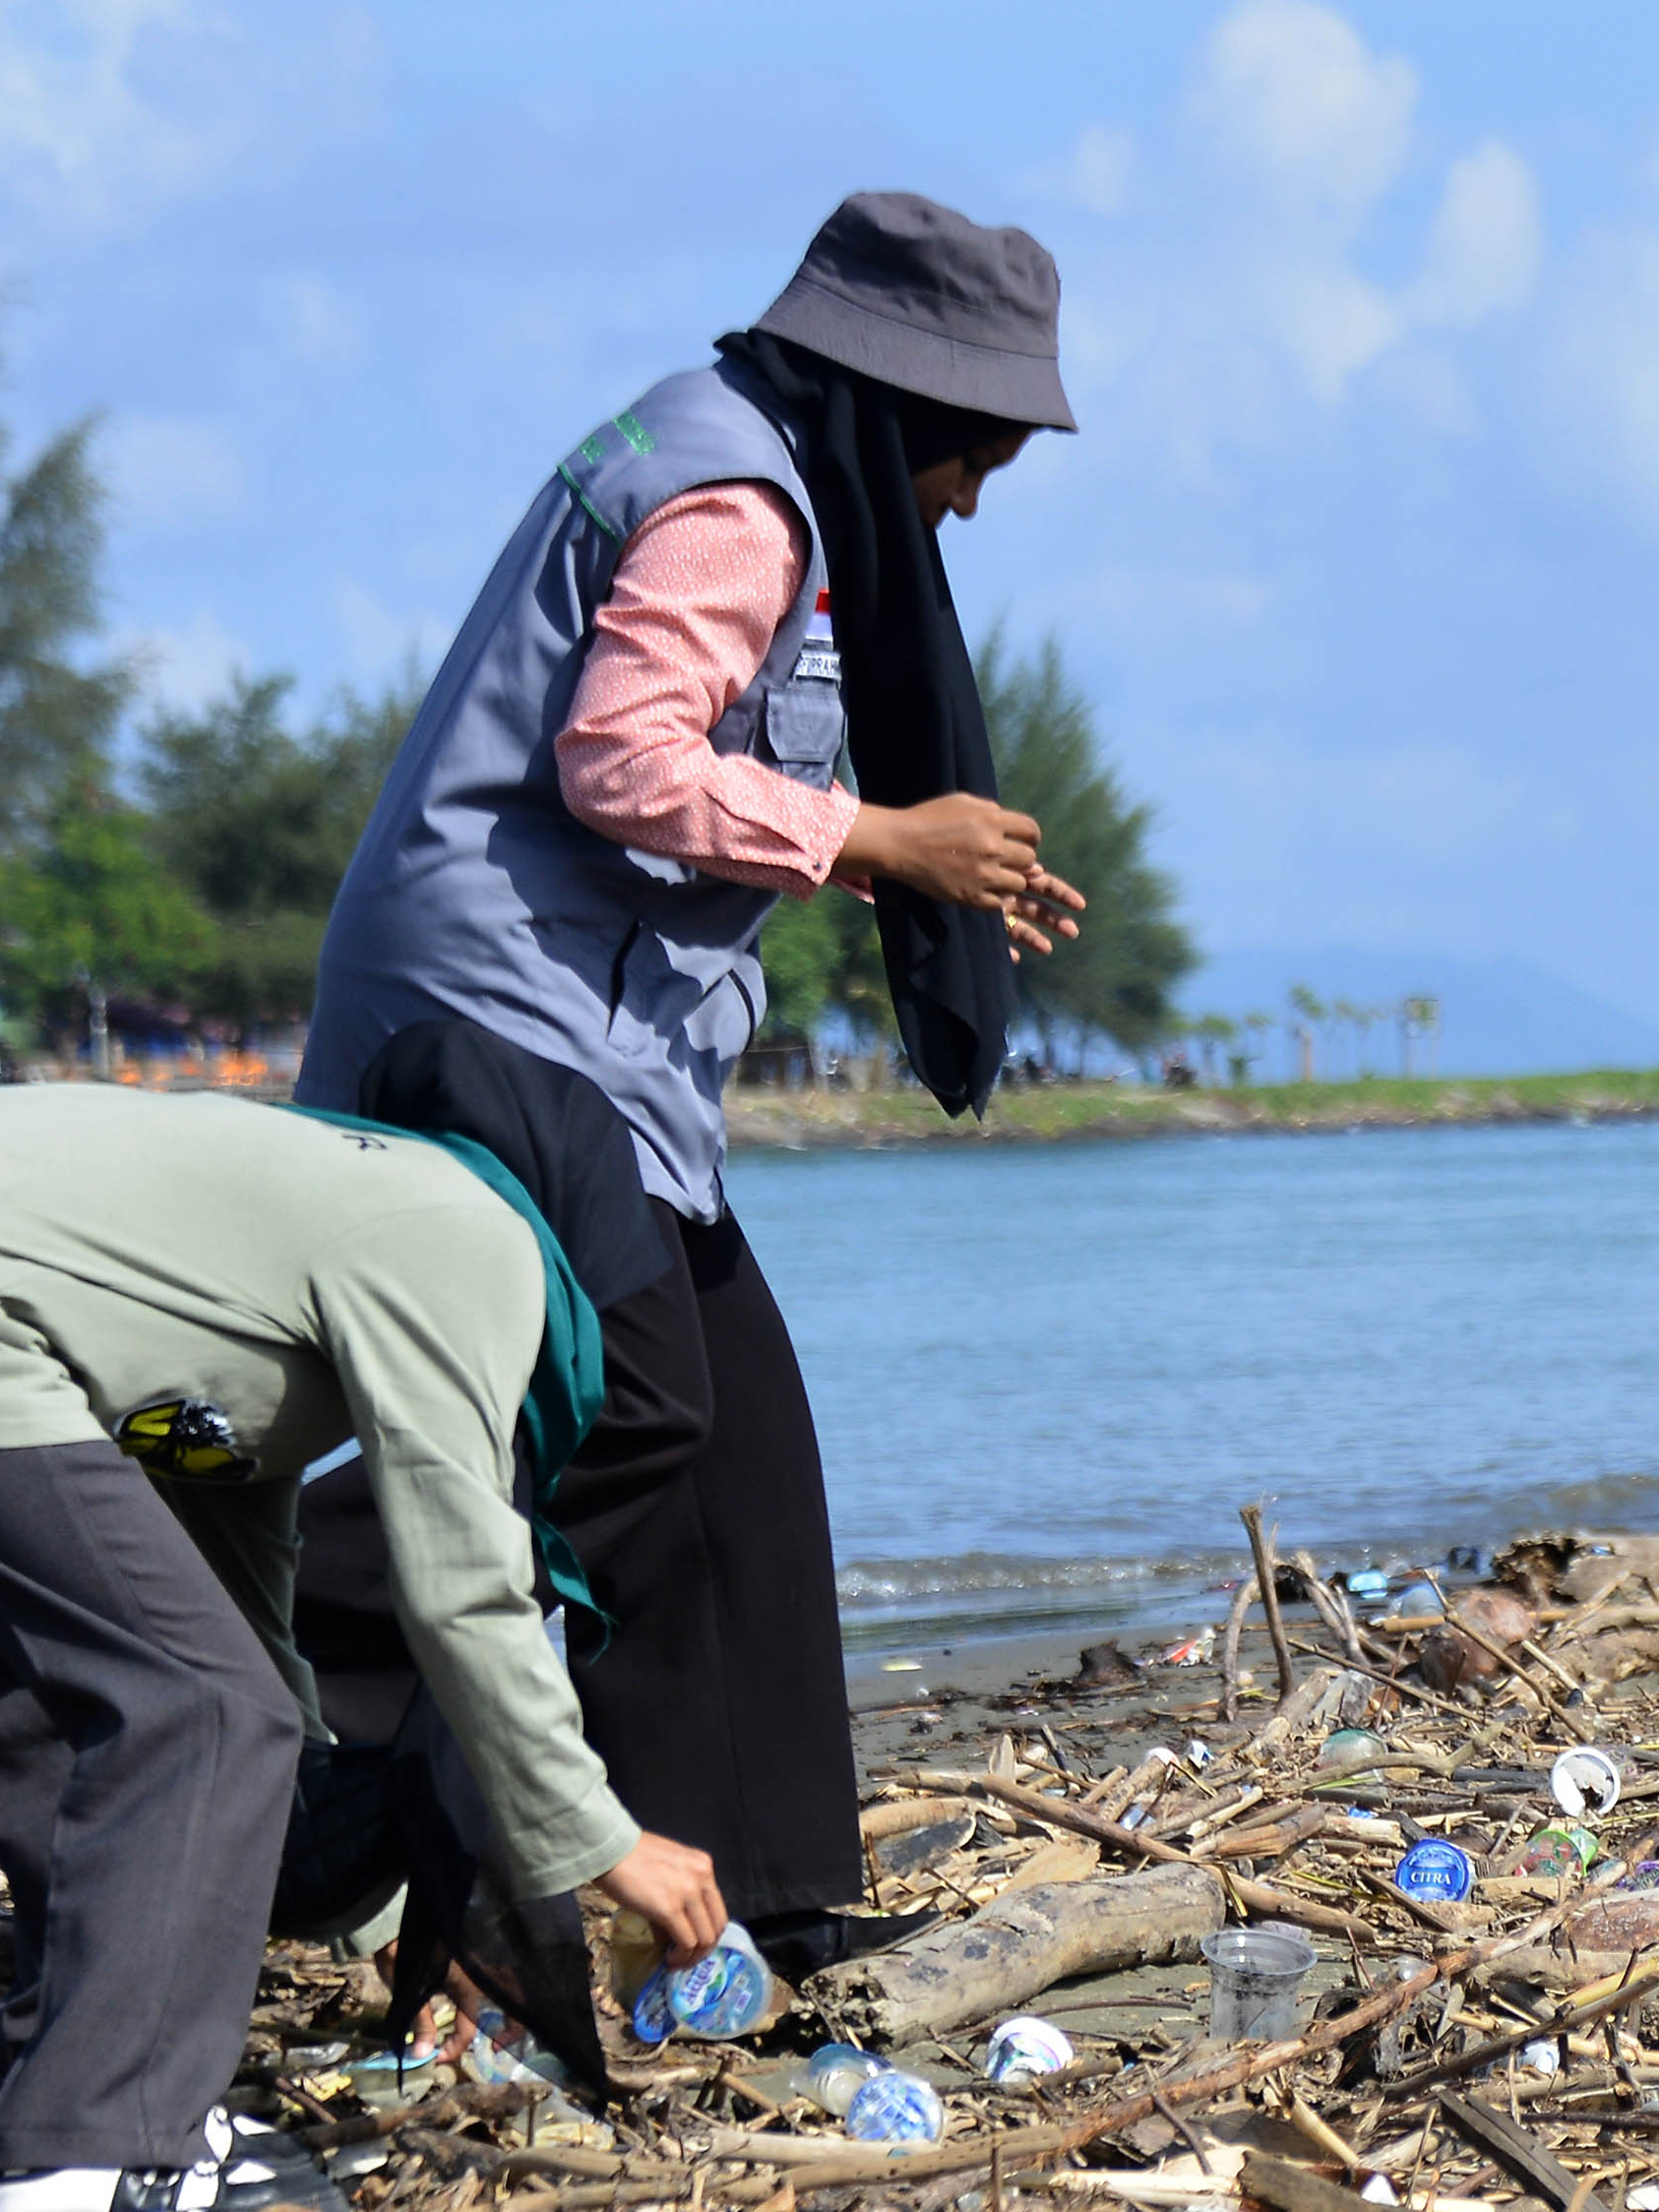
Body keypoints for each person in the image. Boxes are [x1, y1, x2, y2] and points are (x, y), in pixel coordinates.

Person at [291, 188, 1079, 1979]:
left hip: (593, 1041)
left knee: (743, 1445)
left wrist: (886, 863)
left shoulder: (730, 447)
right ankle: (260, 1631)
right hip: (500, 1020)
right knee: (629, 1416)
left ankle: (765, 1902)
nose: (963, 505)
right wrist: (873, 823)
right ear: (897, 414)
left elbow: (697, 773)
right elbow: (619, 762)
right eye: (972, 462)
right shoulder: (733, 499)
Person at [0, 1080, 727, 2212]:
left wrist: (369, 1915)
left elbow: (234, 1611)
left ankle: (70, 2080)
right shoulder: (472, 1237)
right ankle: (93, 2158)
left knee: (85, 1676)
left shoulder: (268, 1252)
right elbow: (463, 1589)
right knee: (193, 1707)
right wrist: (598, 1842)